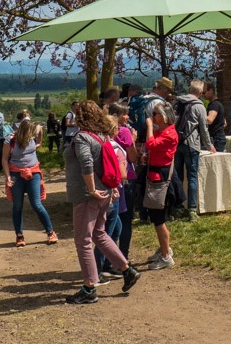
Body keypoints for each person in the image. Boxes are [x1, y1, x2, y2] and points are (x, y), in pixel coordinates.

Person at [63, 100, 142, 304]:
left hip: (89, 195)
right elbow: (109, 162)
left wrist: (90, 189)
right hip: (104, 192)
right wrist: (111, 187)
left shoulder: (82, 137)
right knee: (99, 233)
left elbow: (86, 163)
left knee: (83, 240)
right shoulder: (102, 136)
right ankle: (127, 269)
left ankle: (89, 288)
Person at [3, 117, 56, 247]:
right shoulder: (10, 140)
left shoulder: (32, 138)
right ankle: (19, 235)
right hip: (16, 173)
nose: (31, 136)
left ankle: (50, 232)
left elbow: (39, 130)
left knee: (37, 204)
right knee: (17, 205)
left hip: (33, 172)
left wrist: (39, 132)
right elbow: (4, 159)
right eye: (29, 133)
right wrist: (8, 176)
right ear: (23, 132)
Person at [142, 100, 179, 270]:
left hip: (161, 179)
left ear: (163, 117)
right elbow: (153, 149)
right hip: (155, 175)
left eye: (155, 114)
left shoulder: (170, 134)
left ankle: (165, 256)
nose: (152, 117)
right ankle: (164, 249)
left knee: (159, 219)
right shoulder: (164, 131)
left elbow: (151, 144)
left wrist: (149, 126)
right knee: (156, 218)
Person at [173, 80, 212, 220]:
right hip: (191, 144)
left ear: (189, 89)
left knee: (177, 176)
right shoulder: (199, 106)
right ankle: (192, 210)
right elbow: (203, 129)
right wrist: (209, 146)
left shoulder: (177, 103)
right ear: (200, 93)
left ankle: (177, 207)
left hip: (176, 143)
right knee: (192, 177)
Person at [107, 103, 138, 260]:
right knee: (125, 220)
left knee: (112, 220)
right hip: (127, 177)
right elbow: (132, 157)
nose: (127, 117)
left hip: (110, 181)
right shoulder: (124, 131)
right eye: (125, 114)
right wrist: (132, 140)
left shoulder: (104, 133)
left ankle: (108, 257)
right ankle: (123, 256)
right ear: (116, 115)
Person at [204, 83, 227, 154]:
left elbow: (209, 120)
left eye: (204, 92)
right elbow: (225, 123)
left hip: (216, 139)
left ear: (210, 91)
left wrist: (197, 118)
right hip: (219, 137)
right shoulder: (218, 104)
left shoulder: (214, 105)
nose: (202, 95)